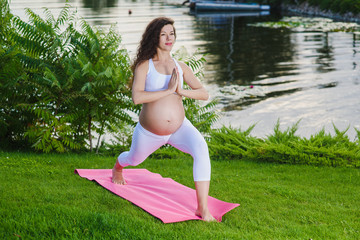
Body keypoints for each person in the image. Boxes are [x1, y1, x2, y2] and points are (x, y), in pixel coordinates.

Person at [112, 17, 215, 222]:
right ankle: (117, 167)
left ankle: (202, 208)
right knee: (134, 159)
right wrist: (167, 90)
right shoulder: (145, 66)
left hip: (179, 128)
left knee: (201, 149)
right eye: (163, 34)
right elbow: (137, 97)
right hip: (150, 132)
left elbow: (204, 93)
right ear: (154, 38)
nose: (169, 38)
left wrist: (181, 90)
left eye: (172, 34)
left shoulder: (181, 67)